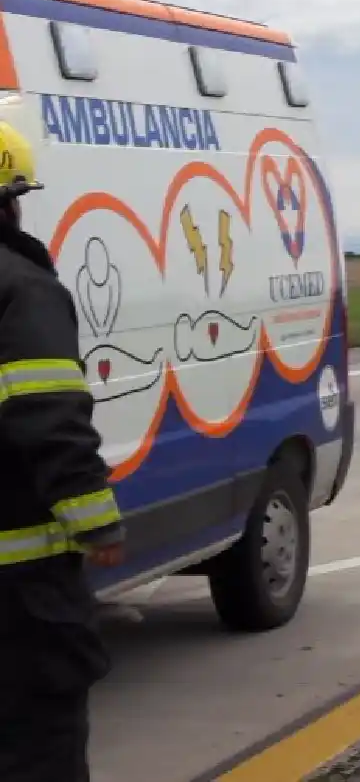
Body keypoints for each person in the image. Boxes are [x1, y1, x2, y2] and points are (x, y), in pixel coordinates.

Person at [0, 120, 126, 781]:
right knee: (37, 748)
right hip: (20, 592)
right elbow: (47, 410)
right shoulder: (21, 289)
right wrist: (96, 519)